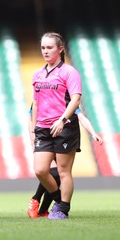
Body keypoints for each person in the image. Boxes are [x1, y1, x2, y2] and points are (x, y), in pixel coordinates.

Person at [31, 32, 82, 220]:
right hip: (43, 128)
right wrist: (34, 128)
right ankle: (58, 200)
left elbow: (75, 99)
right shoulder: (37, 73)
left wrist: (62, 120)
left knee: (63, 170)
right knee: (40, 170)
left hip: (65, 127)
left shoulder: (69, 72)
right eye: (43, 47)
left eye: (49, 47)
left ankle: (63, 209)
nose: (45, 51)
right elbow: (35, 103)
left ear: (60, 49)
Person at [28, 107, 103, 218]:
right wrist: (33, 139)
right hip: (44, 137)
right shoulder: (42, 94)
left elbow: (81, 116)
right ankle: (36, 199)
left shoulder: (68, 100)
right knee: (48, 172)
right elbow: (31, 118)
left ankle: (43, 210)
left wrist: (93, 133)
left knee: (58, 175)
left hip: (63, 138)